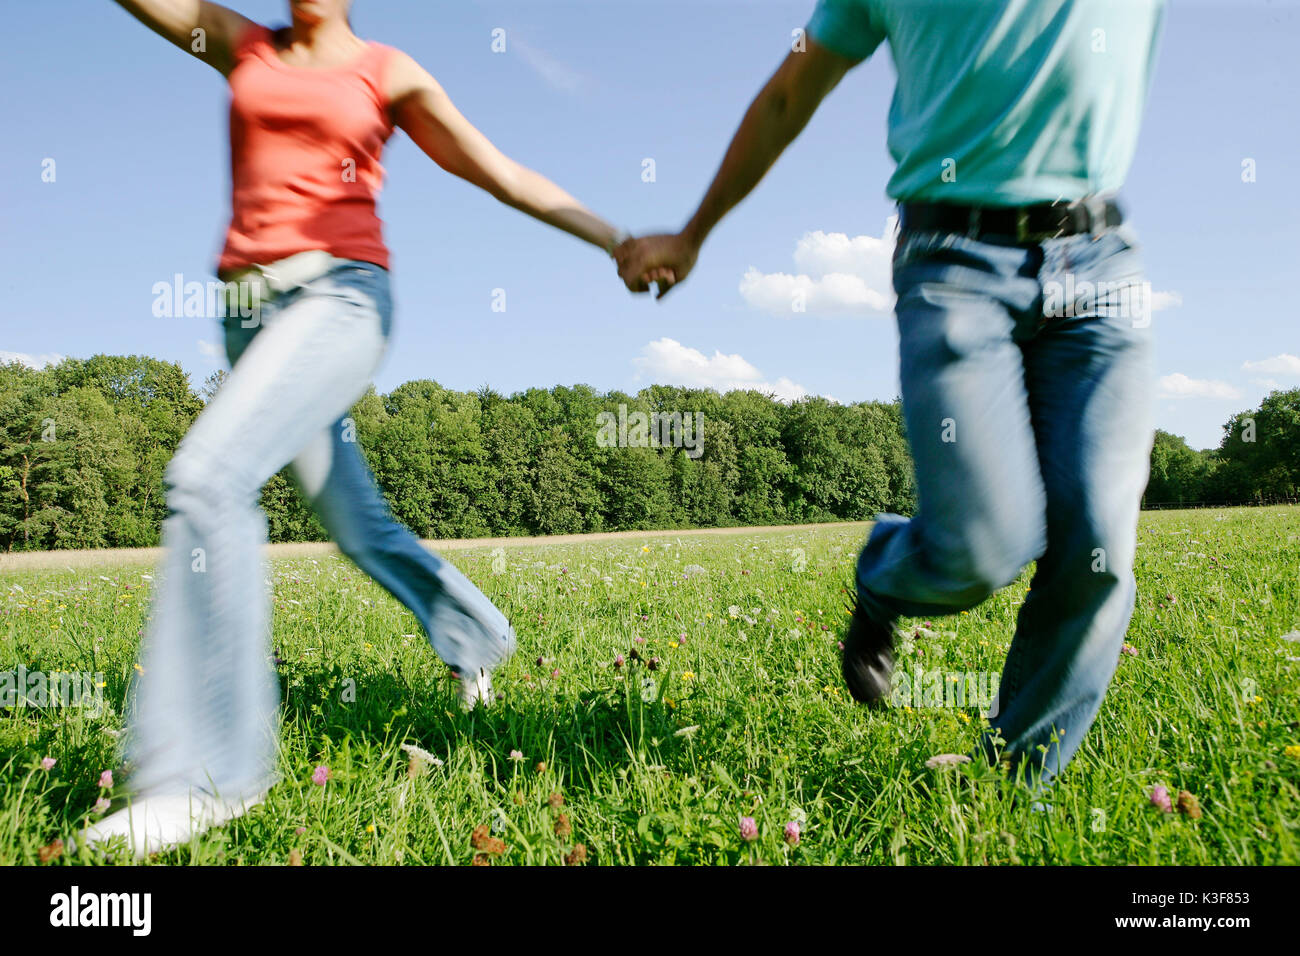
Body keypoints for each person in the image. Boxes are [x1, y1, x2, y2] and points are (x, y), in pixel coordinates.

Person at [83, 0, 626, 856]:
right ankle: (475, 635)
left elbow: (499, 172)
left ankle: (203, 778)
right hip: (245, 310)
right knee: (352, 520)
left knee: (206, 480)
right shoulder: (240, 42)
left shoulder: (387, 71)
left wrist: (618, 240)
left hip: (337, 298)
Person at [616, 0, 1166, 790]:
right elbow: (786, 94)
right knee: (983, 548)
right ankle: (885, 572)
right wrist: (694, 233)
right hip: (955, 261)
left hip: (1105, 262)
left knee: (1097, 552)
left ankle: (1018, 788)